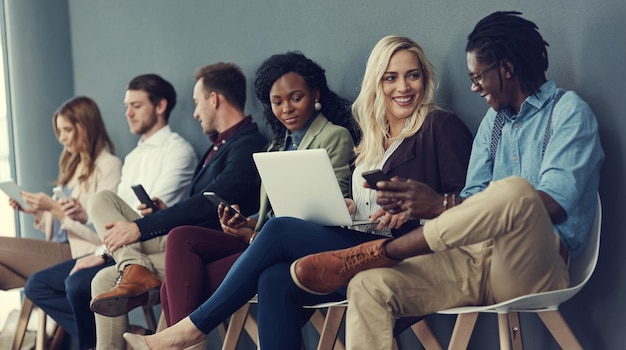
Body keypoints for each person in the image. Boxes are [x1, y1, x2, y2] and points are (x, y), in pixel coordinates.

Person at [122, 35, 473, 350]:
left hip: (409, 254)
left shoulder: (440, 126)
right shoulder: (370, 141)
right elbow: (366, 206)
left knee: (280, 228)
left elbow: (467, 204)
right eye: (390, 77)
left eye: (412, 75)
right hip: (364, 246)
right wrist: (348, 205)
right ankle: (189, 329)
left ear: (424, 79)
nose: (403, 87)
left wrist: (415, 210)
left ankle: (191, 330)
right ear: (376, 83)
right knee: (273, 278)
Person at [290, 11, 605, 349]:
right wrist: (420, 207)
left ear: (506, 70)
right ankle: (378, 257)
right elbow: (471, 206)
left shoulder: (569, 112)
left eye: (478, 76)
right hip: (473, 258)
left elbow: (553, 207)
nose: (473, 86)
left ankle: (385, 250)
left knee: (516, 191)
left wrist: (442, 203)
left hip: (537, 263)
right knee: (368, 286)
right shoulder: (492, 123)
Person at [159, 51, 357, 327]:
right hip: (262, 235)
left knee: (172, 286)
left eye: (295, 98)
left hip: (297, 243)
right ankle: (180, 341)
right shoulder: (276, 145)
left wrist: (253, 234)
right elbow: (274, 210)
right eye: (277, 102)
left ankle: (179, 340)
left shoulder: (334, 136)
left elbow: (330, 205)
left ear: (315, 95)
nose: (286, 108)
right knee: (181, 237)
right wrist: (247, 222)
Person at [88, 63, 267, 350]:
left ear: (214, 99)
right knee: (100, 210)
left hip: (203, 245)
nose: (194, 112)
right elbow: (201, 202)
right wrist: (160, 213)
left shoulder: (249, 144)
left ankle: (135, 267)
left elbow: (212, 200)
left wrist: (139, 227)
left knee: (105, 276)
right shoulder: (217, 147)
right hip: (181, 243)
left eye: (197, 103)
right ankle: (133, 266)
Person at [23, 74, 197, 350]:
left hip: (150, 244)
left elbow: (151, 220)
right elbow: (115, 219)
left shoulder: (178, 151)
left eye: (136, 106)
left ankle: (131, 272)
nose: (127, 113)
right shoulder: (132, 158)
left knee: (79, 282)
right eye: (126, 106)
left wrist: (100, 249)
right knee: (43, 282)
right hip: (119, 247)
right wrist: (98, 246)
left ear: (160, 106)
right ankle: (130, 272)